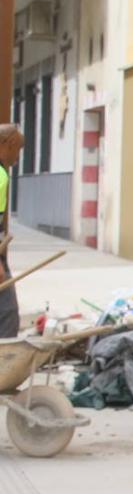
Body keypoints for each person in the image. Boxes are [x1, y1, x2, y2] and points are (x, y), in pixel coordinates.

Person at [0, 124, 26, 339]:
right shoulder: (0, 176)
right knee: (7, 314)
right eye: (18, 148)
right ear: (7, 144)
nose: (18, 156)